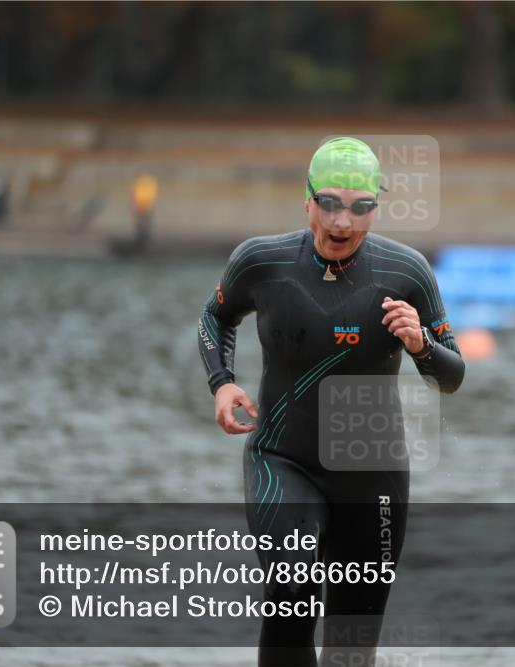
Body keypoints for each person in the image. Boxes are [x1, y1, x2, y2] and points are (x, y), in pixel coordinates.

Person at [197, 137, 464, 666]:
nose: (344, 222)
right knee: (291, 592)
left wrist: (421, 344)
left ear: (376, 209)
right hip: (282, 457)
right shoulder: (261, 261)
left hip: (374, 474)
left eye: (362, 207)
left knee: (350, 647)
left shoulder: (406, 272)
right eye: (331, 204)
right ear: (308, 202)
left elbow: (451, 376)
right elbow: (214, 318)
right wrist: (222, 382)